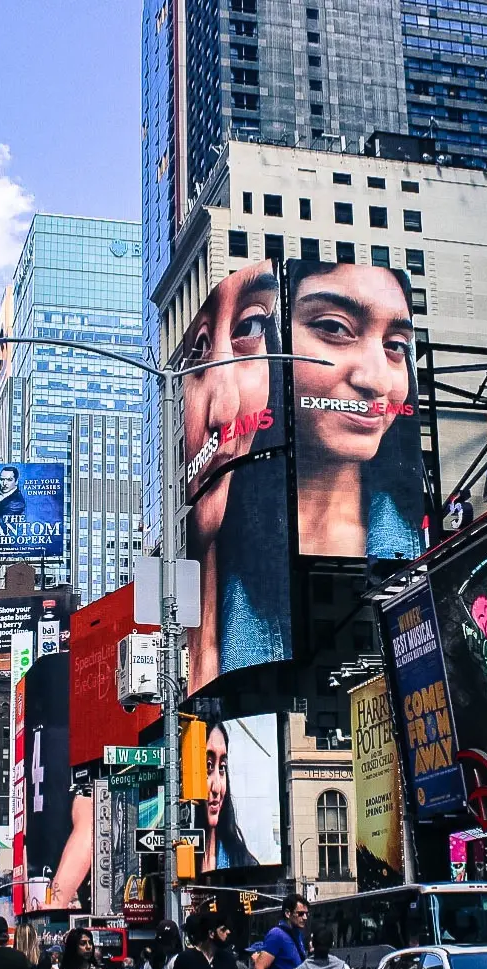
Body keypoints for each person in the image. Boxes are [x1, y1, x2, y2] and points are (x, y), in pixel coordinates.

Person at [178, 260, 291, 691]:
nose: (223, 409)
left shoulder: (267, 635)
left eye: (250, 327)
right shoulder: (161, 635)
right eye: (200, 347)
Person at [287, 260, 422, 560]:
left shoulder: (419, 539)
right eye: (334, 328)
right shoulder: (224, 550)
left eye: (396, 346)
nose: (377, 381)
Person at [200, 725, 256, 872]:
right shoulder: (168, 863)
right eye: (208, 766)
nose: (217, 787)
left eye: (222, 767)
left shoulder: (245, 862)